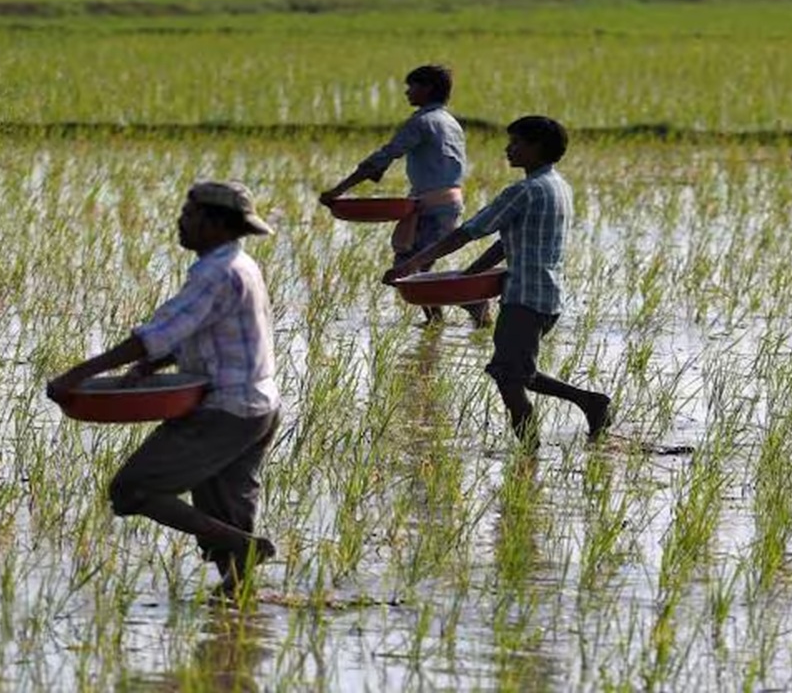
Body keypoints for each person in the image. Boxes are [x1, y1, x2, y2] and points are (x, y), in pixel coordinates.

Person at [46, 181, 281, 597]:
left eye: (189, 215)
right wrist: (154, 365)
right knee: (224, 512)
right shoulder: (241, 265)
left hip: (226, 410)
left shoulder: (216, 273)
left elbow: (155, 334)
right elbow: (200, 333)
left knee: (132, 489)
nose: (180, 222)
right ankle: (238, 611)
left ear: (216, 223)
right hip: (258, 407)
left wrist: (76, 376)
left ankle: (246, 548)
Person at [383, 116, 611, 448]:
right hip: (547, 297)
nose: (508, 149)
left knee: (509, 377)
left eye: (516, 143)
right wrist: (468, 275)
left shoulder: (524, 191)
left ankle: (531, 451)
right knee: (517, 371)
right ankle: (587, 405)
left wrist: (411, 264)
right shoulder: (558, 186)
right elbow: (508, 242)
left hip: (524, 299)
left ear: (537, 148)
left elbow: (466, 232)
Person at [319, 64, 489, 328]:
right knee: (418, 266)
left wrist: (338, 190)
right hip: (447, 202)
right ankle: (436, 322)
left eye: (412, 86)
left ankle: (470, 303)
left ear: (428, 89)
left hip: (433, 204)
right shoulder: (450, 122)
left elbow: (385, 155)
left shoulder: (421, 122)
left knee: (408, 267)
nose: (407, 92)